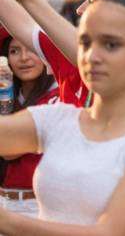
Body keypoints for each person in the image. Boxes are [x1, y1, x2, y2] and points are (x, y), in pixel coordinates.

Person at [0, 0, 125, 235]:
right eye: (85, 43)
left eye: (111, 44)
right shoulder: (57, 119)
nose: (93, 57)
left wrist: (8, 222)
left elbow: (109, 232)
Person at [0, 28, 58, 219]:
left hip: (39, 207)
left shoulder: (58, 96)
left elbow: (8, 149)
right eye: (14, 51)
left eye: (32, 49)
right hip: (4, 203)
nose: (23, 58)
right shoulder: (9, 93)